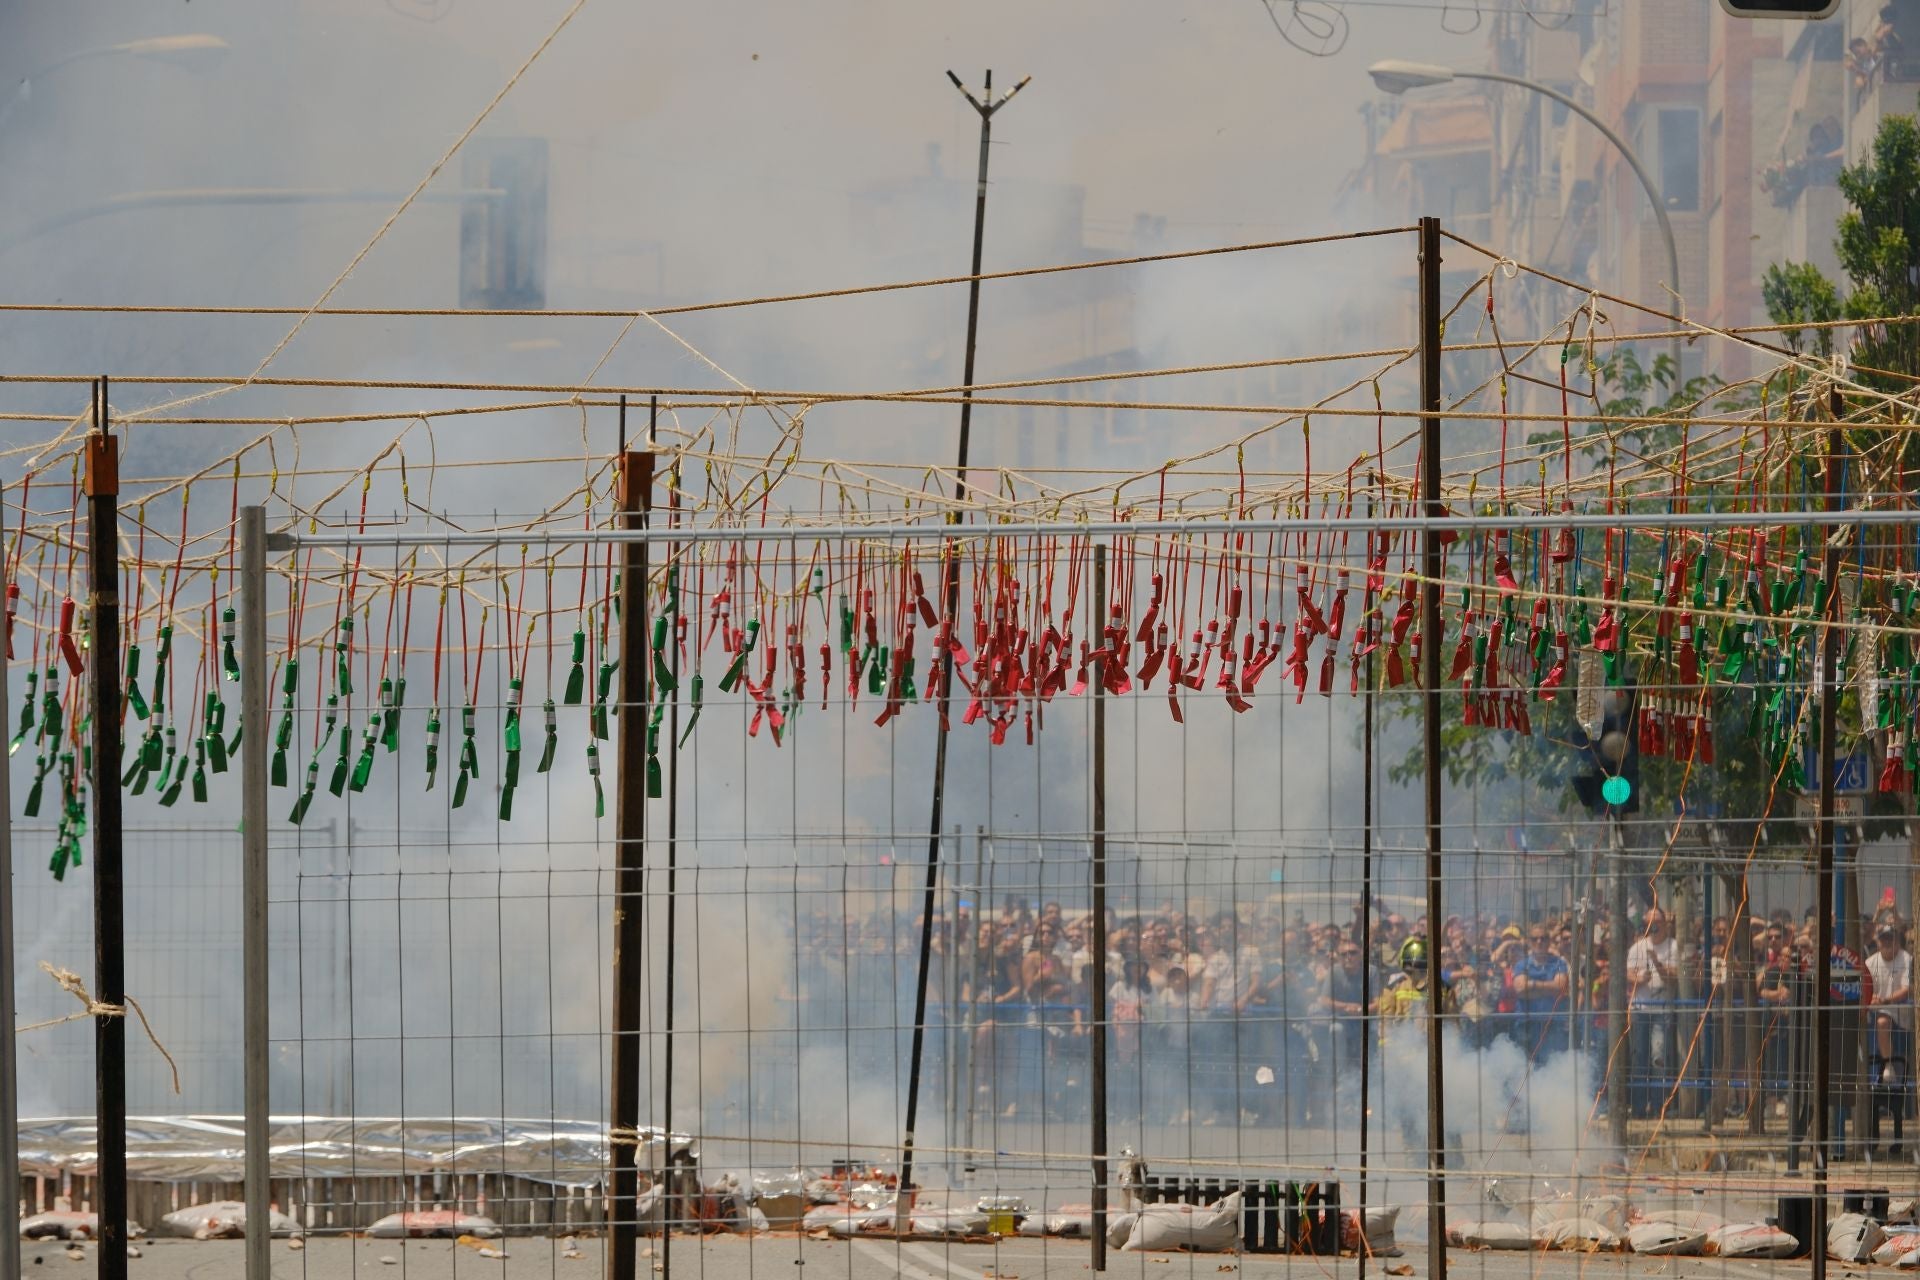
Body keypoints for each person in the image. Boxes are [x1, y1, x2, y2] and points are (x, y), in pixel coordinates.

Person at [1626, 908, 1680, 1118]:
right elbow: (1628, 972)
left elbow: (1674, 977)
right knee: (1639, 1058)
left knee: (1659, 1058)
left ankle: (1658, 1107)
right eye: (1650, 923)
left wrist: (1657, 963)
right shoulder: (1636, 947)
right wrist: (1638, 979)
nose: (1654, 927)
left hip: (1662, 1009)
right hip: (1640, 1008)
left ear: (1665, 924)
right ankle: (1639, 1108)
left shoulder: (1673, 946)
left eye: (1657, 922)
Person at [1509, 926, 1572, 1057]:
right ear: (1529, 942)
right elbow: (1520, 990)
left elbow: (1560, 988)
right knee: (1525, 1067)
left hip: (1552, 1024)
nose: (1539, 942)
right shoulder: (1521, 964)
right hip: (1526, 1024)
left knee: (1552, 1066)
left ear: (1549, 941)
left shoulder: (1559, 963)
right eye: (1534, 939)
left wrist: (1531, 985)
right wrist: (1550, 988)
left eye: (1543, 938)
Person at [1867, 924, 1913, 1084]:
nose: (1886, 942)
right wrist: (1872, 998)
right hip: (1876, 1009)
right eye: (1883, 939)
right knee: (1878, 1020)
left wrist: (1885, 1000)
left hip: (1902, 1009)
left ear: (1897, 941)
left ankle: (1889, 1065)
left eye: (1890, 939)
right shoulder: (1870, 962)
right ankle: (1884, 1066)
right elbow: (1866, 989)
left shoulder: (1906, 959)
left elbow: (1906, 989)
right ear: (1878, 942)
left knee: (1883, 1021)